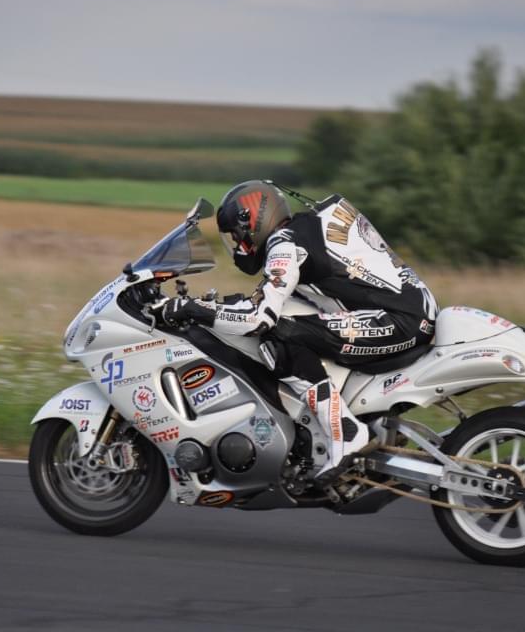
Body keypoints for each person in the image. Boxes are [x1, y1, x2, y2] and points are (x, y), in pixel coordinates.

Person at [159, 180, 438, 481]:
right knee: (289, 323)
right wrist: (212, 306)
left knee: (279, 334)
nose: (239, 246)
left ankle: (345, 433)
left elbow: (259, 317)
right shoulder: (303, 231)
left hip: (397, 321)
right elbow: (271, 298)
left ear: (255, 219)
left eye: (238, 236)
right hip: (405, 313)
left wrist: (194, 310)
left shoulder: (286, 243)